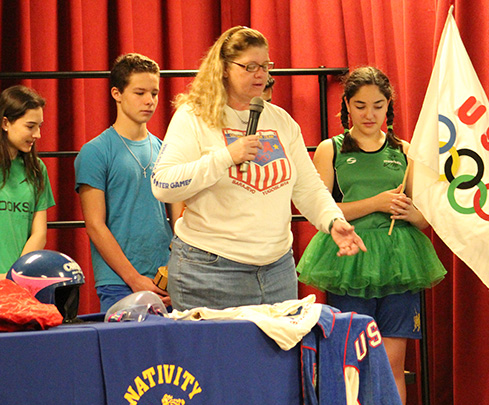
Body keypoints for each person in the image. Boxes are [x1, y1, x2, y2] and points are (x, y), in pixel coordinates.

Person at [152, 26, 364, 311]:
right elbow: (162, 184)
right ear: (224, 69)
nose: (261, 75)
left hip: (276, 271)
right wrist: (225, 157)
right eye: (250, 66)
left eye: (265, 66)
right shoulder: (194, 117)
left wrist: (332, 221)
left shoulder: (281, 121)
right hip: (209, 271)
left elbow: (308, 186)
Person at [296, 66, 445, 405]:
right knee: (352, 361)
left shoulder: (405, 151)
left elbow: (424, 219)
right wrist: (374, 203)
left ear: (388, 105)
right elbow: (322, 211)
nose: (369, 114)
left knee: (392, 363)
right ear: (347, 105)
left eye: (378, 105)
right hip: (350, 261)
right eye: (361, 105)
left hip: (400, 263)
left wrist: (411, 213)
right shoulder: (329, 149)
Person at [75, 53, 181, 312]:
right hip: (118, 281)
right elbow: (95, 225)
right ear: (116, 93)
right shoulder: (95, 152)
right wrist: (133, 279)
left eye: (154, 93)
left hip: (166, 279)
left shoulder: (166, 150)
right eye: (140, 92)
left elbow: (179, 219)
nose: (149, 101)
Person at [0, 85, 55, 274]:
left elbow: (39, 233)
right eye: (30, 126)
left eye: (39, 126)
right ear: (5, 123)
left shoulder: (37, 169)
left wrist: (15, 275)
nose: (37, 134)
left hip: (19, 283)